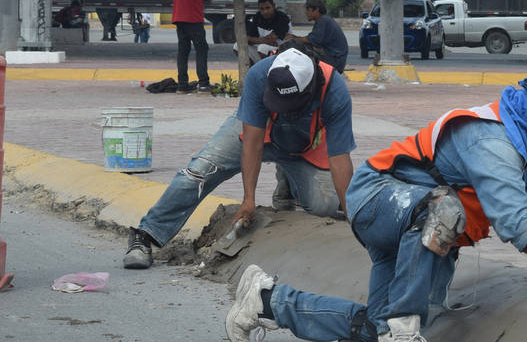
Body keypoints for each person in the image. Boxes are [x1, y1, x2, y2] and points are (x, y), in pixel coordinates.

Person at [222, 74, 527, 342]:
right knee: (445, 211)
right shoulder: (492, 141)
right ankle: (402, 329)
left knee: (373, 330)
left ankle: (268, 300)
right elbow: (516, 223)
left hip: (417, 227)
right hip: (378, 200)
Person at [123, 48, 354, 270]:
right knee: (200, 172)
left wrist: (353, 220)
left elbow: (340, 160)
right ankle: (147, 233)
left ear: (310, 89)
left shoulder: (334, 90)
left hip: (301, 144)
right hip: (257, 130)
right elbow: (252, 144)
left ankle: (288, 186)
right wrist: (248, 199)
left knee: (325, 204)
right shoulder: (260, 75)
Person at [286, 0, 349, 73]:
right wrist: (294, 37)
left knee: (300, 51)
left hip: (335, 61)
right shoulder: (324, 20)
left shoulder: (322, 21)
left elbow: (311, 40)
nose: (306, 12)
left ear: (316, 10)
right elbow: (311, 40)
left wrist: (292, 38)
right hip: (335, 59)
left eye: (308, 9)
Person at [244, 0, 292, 64]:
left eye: (268, 8)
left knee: (262, 48)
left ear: (274, 6)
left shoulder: (282, 18)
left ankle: (268, 71)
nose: (265, 12)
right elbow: (248, 39)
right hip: (265, 51)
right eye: (262, 9)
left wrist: (255, 40)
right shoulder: (257, 17)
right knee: (238, 46)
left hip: (282, 52)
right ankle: (252, 69)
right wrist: (263, 40)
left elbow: (271, 40)